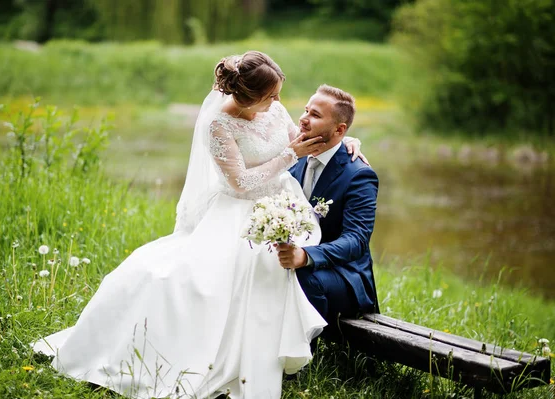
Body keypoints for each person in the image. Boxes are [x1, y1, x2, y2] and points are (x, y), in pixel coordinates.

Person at [32, 51, 363, 399]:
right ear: (250, 97)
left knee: (267, 272)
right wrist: (287, 157)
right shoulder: (219, 125)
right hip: (236, 213)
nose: (279, 101)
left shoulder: (275, 111)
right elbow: (240, 183)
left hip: (281, 207)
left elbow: (307, 142)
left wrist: (346, 141)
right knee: (189, 281)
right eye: (271, 95)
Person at [276, 84, 379, 341]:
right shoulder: (296, 156)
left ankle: (302, 359)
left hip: (345, 275)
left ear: (340, 130)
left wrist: (306, 256)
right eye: (306, 110)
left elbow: (356, 241)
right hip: (298, 257)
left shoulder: (359, 175)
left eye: (315, 115)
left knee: (302, 275)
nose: (303, 118)